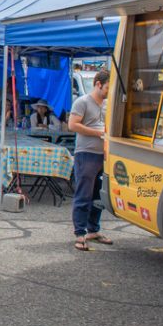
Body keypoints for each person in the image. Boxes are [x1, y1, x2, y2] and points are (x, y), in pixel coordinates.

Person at [67, 69, 113, 252]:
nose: (110, 91)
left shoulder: (108, 104)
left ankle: (94, 229)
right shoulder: (82, 102)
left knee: (98, 194)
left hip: (103, 155)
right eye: (108, 87)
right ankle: (80, 232)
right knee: (83, 194)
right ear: (98, 84)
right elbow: (73, 125)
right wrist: (98, 133)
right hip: (86, 153)